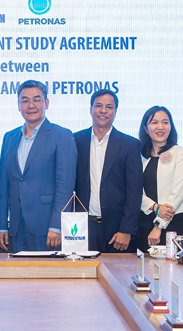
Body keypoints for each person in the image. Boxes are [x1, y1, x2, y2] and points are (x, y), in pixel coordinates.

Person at [0, 80, 76, 253]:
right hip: (16, 227)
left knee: (45, 271)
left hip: (47, 228)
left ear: (46, 103)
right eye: (25, 100)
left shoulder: (62, 136)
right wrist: (1, 225)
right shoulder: (9, 137)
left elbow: (65, 186)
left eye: (36, 100)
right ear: (18, 105)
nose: (30, 105)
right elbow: (3, 186)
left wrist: (57, 226)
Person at [73, 89, 143, 253]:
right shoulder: (75, 140)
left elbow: (134, 191)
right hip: (82, 228)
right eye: (98, 106)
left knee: (117, 271)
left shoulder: (130, 145)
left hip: (117, 230)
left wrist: (127, 229)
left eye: (109, 107)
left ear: (115, 111)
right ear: (91, 109)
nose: (103, 111)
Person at [137, 105, 183, 251]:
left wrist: (159, 225)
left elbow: (178, 192)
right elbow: (134, 190)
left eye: (165, 122)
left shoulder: (180, 153)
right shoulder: (138, 155)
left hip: (174, 222)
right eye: (154, 122)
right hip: (145, 221)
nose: (160, 127)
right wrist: (155, 207)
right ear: (146, 128)